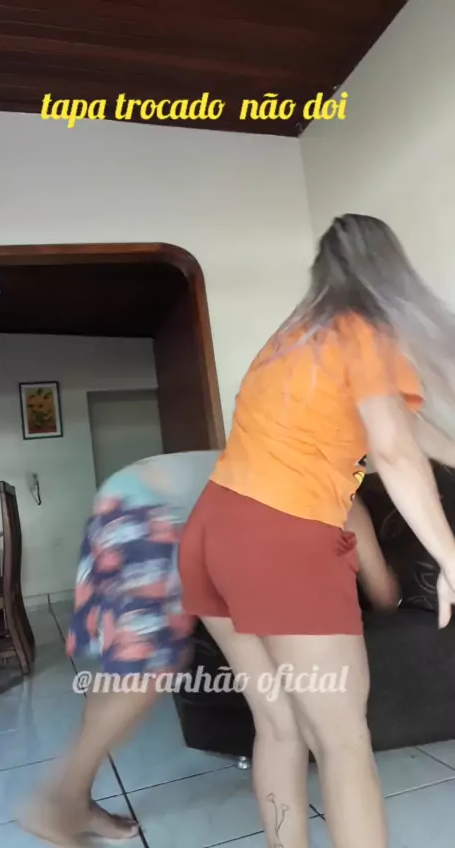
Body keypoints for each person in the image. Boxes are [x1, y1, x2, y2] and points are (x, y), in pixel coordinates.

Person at [179, 214, 455, 848]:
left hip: (211, 532)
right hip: (281, 538)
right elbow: (394, 453)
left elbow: (407, 431)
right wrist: (450, 555)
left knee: (279, 726)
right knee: (343, 741)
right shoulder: (365, 331)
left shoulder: (292, 339)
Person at [19, 457, 194, 847]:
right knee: (153, 666)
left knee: (127, 672)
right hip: (147, 512)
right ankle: (54, 803)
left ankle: (75, 802)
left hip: (125, 503)